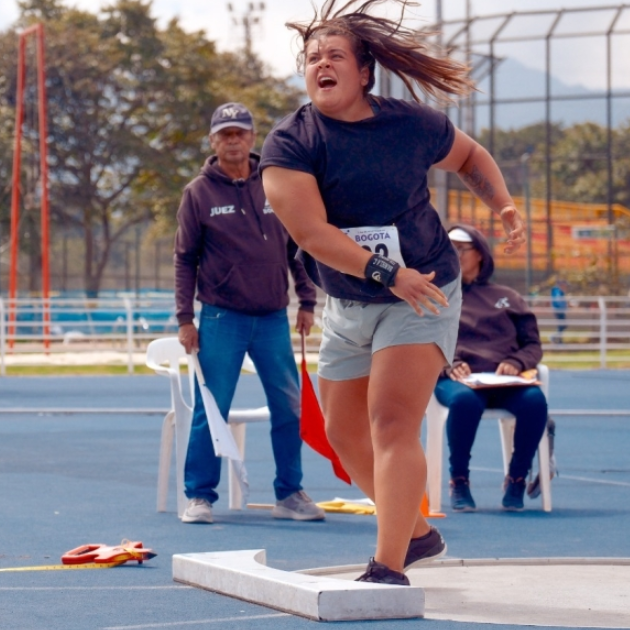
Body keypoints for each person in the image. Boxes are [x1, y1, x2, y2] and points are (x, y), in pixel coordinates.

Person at [260, 0, 525, 585]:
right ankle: (418, 534)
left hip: (423, 291)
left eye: (334, 56)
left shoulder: (410, 124)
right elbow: (312, 235)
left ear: (363, 72)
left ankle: (388, 565)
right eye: (311, 58)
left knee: (390, 423)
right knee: (342, 434)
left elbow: (469, 156)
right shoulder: (290, 143)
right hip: (350, 300)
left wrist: (500, 203)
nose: (320, 65)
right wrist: (386, 273)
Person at [174, 101, 324, 525]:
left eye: (240, 132)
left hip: (274, 317)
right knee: (212, 407)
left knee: (289, 407)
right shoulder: (198, 193)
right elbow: (185, 259)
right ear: (213, 141)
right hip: (222, 319)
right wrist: (186, 319)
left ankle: (290, 493)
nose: (233, 140)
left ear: (252, 138)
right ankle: (200, 495)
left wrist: (307, 301)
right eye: (225, 134)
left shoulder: (276, 184)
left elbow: (299, 245)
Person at [437, 225, 548, 512]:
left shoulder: (508, 297)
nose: (454, 253)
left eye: (461, 248)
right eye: (450, 247)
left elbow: (533, 345)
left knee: (535, 402)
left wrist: (517, 362)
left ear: (481, 255)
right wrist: (449, 363)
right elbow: (420, 340)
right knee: (464, 402)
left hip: (503, 381)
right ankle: (458, 481)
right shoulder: (435, 295)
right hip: (455, 379)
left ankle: (516, 480)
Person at [550, 278, 568, 344]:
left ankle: (557, 339)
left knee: (563, 326)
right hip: (558, 310)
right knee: (561, 326)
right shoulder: (557, 290)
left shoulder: (558, 291)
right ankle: (556, 339)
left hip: (560, 310)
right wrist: (564, 306)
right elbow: (558, 300)